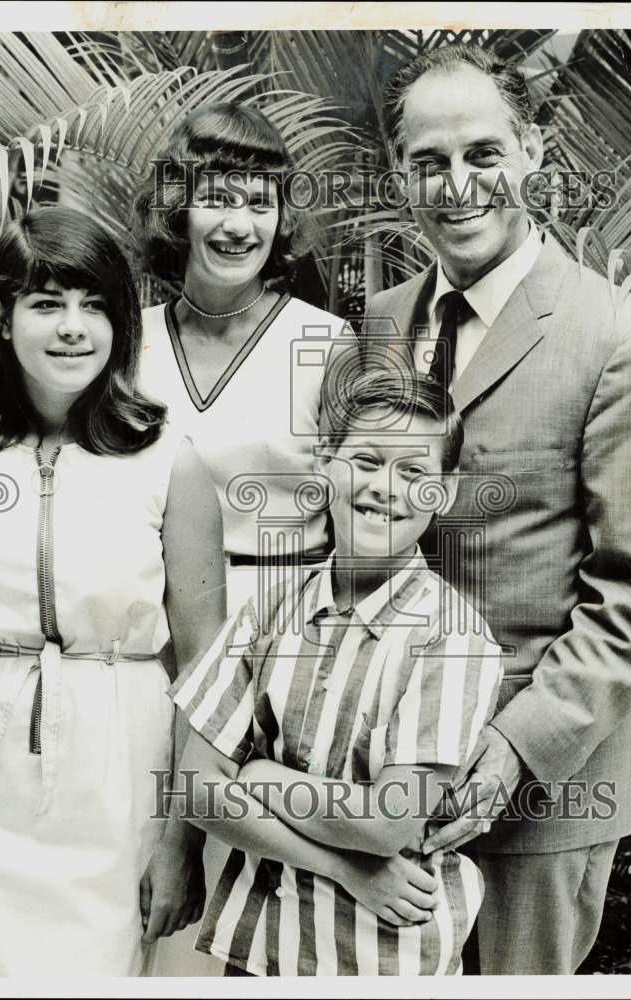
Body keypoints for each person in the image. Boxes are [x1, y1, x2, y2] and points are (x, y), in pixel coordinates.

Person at [364, 44, 631, 974]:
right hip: (387, 780)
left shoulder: (611, 332)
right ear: (400, 175)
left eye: (483, 154)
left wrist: (513, 752)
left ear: (530, 151)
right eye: (429, 162)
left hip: (539, 793)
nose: (458, 186)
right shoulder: (379, 321)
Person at [0, 206, 226, 976]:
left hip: (118, 783)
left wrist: (181, 839)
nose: (73, 328)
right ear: (2, 317)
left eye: (95, 305)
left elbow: (209, 668)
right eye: (47, 304)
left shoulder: (170, 463)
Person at [171, 369, 506, 976]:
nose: (386, 488)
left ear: (446, 491)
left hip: (385, 956)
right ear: (326, 461)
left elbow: (385, 822)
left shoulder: (453, 638)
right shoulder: (272, 608)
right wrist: (343, 865)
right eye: (368, 460)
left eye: (414, 472)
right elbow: (196, 789)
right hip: (265, 945)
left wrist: (255, 771)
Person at [133, 102, 348, 614]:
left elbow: (363, 515)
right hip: (149, 624)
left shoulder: (325, 341)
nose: (239, 226)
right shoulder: (129, 340)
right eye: (216, 199)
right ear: (177, 211)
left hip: (290, 622)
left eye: (259, 202)